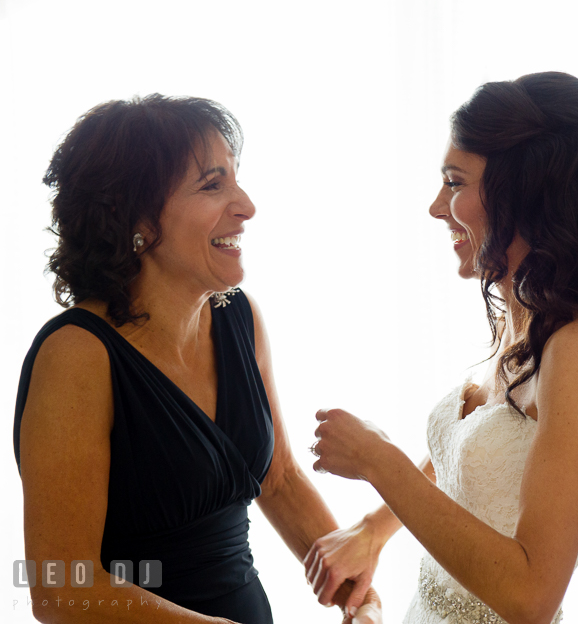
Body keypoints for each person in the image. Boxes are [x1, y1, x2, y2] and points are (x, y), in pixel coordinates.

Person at [302, 72, 578, 624]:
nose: (437, 207)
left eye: (455, 183)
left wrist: (379, 461)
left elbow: (531, 597)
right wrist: (373, 529)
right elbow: (475, 456)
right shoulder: (525, 322)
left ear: (525, 193)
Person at [13, 95, 380, 624]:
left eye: (236, 179)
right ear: (131, 214)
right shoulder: (76, 355)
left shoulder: (239, 318)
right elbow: (62, 590)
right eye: (213, 185)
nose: (247, 205)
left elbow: (277, 479)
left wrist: (357, 591)